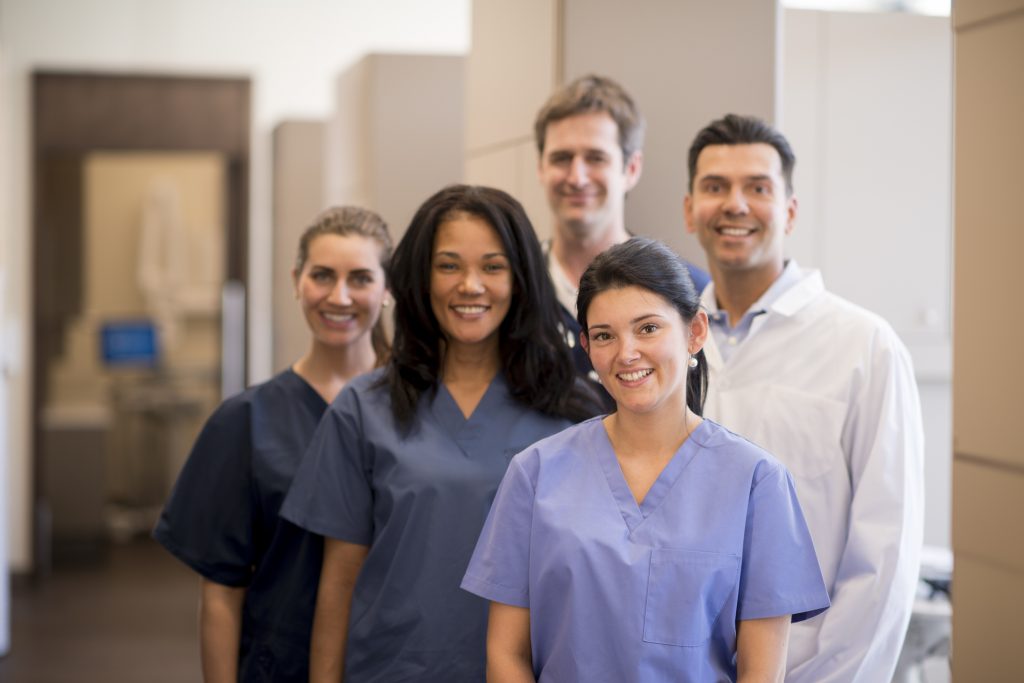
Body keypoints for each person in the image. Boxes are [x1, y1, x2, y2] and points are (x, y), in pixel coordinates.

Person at [462, 237, 829, 682]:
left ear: (694, 332)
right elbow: (506, 655)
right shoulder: (535, 473)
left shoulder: (757, 482)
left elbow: (761, 674)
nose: (626, 353)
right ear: (587, 347)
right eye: (604, 336)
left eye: (648, 328)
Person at [280, 185, 602, 682]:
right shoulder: (364, 409)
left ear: (519, 280)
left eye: (492, 267)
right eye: (449, 265)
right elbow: (339, 581)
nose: (470, 285)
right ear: (421, 278)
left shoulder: (573, 415)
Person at [684, 113, 924, 682]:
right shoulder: (664, 343)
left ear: (789, 209)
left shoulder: (865, 347)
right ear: (689, 208)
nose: (735, 205)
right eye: (715, 187)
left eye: (758, 188)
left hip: (810, 670)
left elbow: (884, 560)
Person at [153, 206, 393, 681]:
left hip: (394, 661)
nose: (339, 296)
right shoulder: (246, 421)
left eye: (361, 278)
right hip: (282, 666)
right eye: (322, 275)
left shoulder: (418, 412)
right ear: (296, 280)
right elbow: (221, 593)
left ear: (387, 290)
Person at [534, 75, 709, 376]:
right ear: (541, 168)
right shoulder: (512, 288)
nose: (577, 177)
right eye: (562, 158)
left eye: (595, 158)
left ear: (631, 168)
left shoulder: (691, 291)